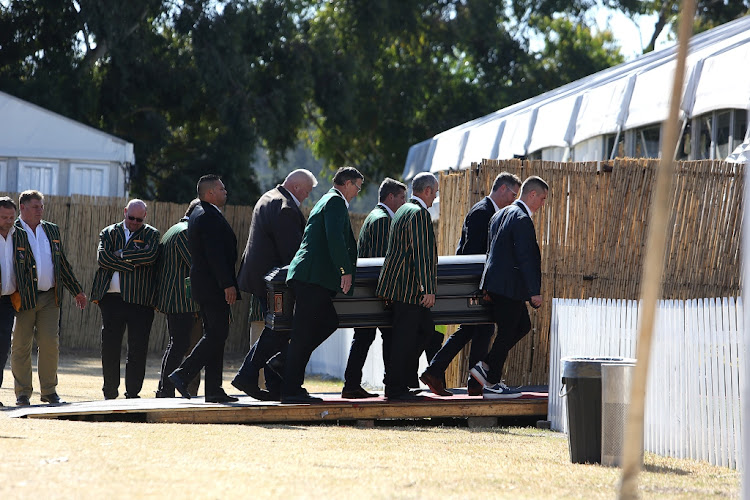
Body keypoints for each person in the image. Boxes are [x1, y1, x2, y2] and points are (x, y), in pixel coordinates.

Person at [420, 172, 522, 397]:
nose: (514, 200)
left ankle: (462, 378)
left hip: (480, 282)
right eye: (513, 194)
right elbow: (474, 252)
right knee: (477, 328)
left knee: (478, 328)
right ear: (502, 189)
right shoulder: (483, 213)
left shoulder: (487, 211)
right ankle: (456, 376)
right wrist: (482, 286)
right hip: (477, 283)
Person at [231, 169, 317, 401]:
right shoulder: (285, 207)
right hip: (275, 281)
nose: (307, 197)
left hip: (262, 277)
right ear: (297, 187)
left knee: (278, 330)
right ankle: (248, 375)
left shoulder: (269, 197)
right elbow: (291, 252)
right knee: (278, 330)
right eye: (307, 191)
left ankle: (264, 380)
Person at [280, 166, 363, 404]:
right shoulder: (335, 201)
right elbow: (334, 237)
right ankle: (290, 390)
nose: (357, 192)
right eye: (357, 186)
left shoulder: (329, 200)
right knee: (304, 333)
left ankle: (285, 363)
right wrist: (344, 270)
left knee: (327, 323)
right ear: (346, 183)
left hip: (310, 277)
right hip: (311, 277)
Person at [470, 175, 548, 399]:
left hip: (496, 284)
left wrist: (486, 285)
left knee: (521, 326)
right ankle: (492, 383)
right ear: (532, 194)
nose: (543, 204)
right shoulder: (522, 218)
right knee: (506, 332)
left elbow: (490, 252)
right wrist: (534, 292)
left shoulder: (499, 214)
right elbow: (526, 258)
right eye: (542, 198)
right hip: (509, 286)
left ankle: (485, 366)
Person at [169, 174, 241, 403]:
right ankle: (183, 374)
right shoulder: (208, 216)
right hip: (213, 286)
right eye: (221, 188)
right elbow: (215, 256)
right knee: (217, 333)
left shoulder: (200, 213)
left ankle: (213, 389)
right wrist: (227, 284)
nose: (225, 192)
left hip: (206, 285)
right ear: (210, 193)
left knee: (216, 334)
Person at [12, 190, 87, 406]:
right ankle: (23, 393)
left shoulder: (51, 229)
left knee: (50, 344)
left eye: (42, 206)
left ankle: (49, 391)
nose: (40, 210)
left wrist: (77, 290)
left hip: (49, 298)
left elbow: (61, 263)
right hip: (22, 298)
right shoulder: (13, 231)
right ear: (22, 208)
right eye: (35, 207)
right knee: (20, 345)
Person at [376, 172, 439, 401]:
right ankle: (395, 387)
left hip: (398, 287)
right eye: (435, 192)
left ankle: (397, 381)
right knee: (408, 337)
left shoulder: (403, 210)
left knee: (424, 332)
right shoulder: (419, 214)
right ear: (428, 191)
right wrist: (428, 288)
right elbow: (422, 254)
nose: (435, 198)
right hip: (409, 289)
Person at [341, 177, 406, 399]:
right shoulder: (382, 220)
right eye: (402, 198)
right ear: (391, 197)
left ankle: (355, 384)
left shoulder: (377, 217)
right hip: (375, 293)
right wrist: (387, 294)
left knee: (366, 337)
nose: (404, 203)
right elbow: (381, 262)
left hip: (370, 292)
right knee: (381, 336)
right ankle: (389, 385)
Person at [91, 199, 160, 400]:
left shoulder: (152, 234)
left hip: (141, 300)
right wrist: (132, 263)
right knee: (110, 347)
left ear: (144, 217)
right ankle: (110, 391)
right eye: (131, 218)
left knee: (138, 348)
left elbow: (150, 256)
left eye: (139, 219)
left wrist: (120, 254)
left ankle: (133, 392)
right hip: (111, 300)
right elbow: (102, 259)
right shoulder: (109, 232)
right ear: (124, 212)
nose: (134, 222)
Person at [155, 198, 203, 398]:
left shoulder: (175, 229)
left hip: (175, 298)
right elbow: (196, 263)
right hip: (181, 300)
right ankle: (165, 390)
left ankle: (164, 390)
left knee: (177, 344)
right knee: (179, 345)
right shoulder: (185, 232)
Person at [0, 197, 15, 407]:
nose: (8, 221)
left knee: (2, 347)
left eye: (12, 217)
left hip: (8, 302)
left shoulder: (18, 236)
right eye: (4, 217)